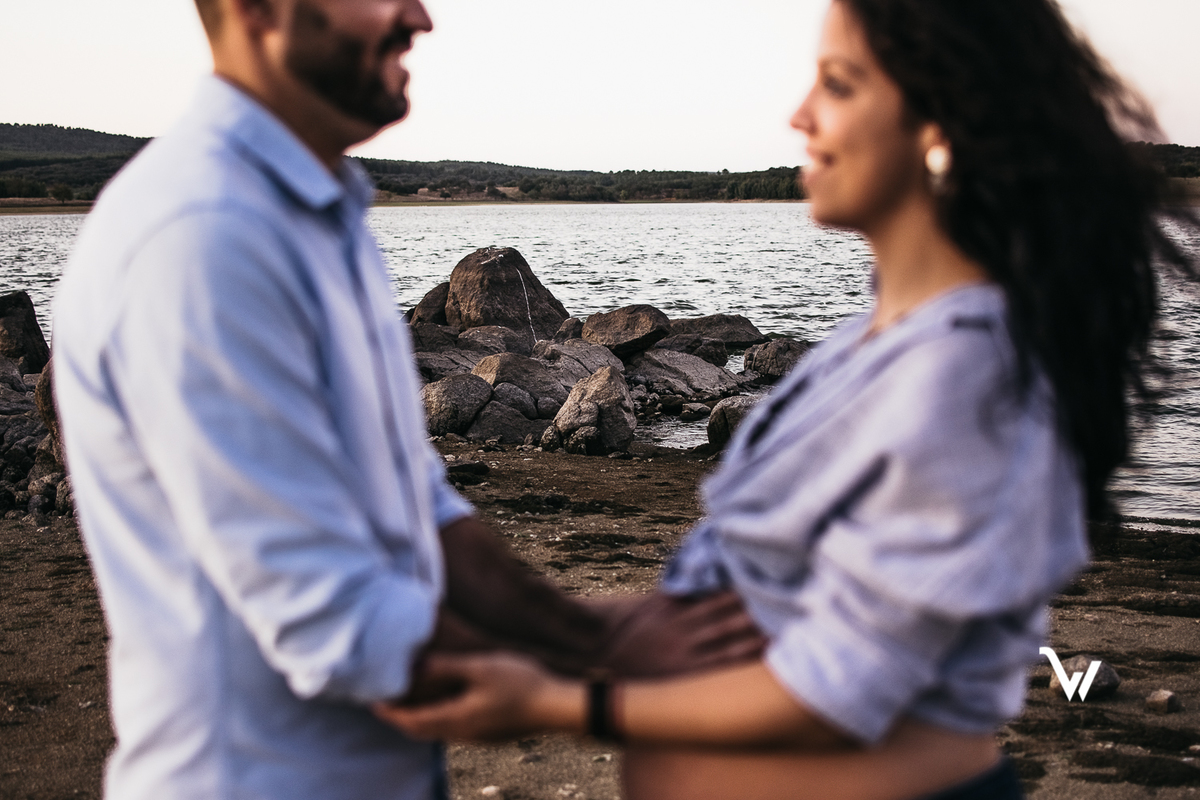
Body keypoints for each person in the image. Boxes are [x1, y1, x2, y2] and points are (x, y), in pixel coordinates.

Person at [373, 1, 1199, 798]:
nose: (800, 114)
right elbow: (771, 601)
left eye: (838, 84)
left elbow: (840, 692)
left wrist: (552, 701)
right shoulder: (865, 347)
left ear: (943, 126)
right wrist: (592, 638)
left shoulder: (971, 369)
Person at [52, 1, 763, 798]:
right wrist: (604, 690)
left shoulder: (318, 215)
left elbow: (414, 499)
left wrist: (595, 628)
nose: (417, 15)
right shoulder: (201, 237)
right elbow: (329, 618)